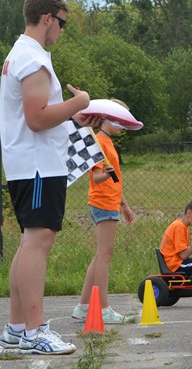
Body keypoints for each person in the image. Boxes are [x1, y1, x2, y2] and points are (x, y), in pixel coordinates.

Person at [0, 0, 102, 355]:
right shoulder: (32, 59)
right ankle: (34, 331)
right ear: (47, 19)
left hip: (31, 164)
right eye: (62, 23)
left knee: (30, 241)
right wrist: (80, 101)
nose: (61, 30)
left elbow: (39, 116)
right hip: (38, 167)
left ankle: (16, 329)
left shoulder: (22, 55)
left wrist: (73, 117)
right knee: (37, 242)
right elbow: (37, 118)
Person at [72, 100, 136, 324]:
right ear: (111, 118)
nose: (124, 126)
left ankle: (83, 307)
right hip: (103, 203)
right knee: (104, 256)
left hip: (110, 202)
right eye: (122, 119)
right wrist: (107, 175)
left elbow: (113, 179)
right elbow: (97, 177)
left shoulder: (106, 141)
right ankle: (103, 309)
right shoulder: (99, 141)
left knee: (100, 256)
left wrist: (124, 205)